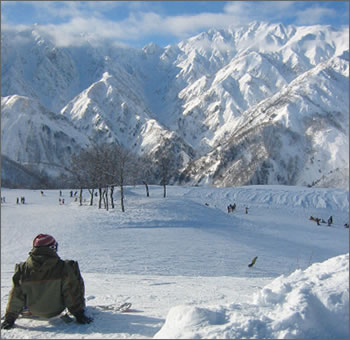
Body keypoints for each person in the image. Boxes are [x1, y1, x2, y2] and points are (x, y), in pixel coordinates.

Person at [1, 234, 92, 330]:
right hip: (56, 310)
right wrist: (79, 314)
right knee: (72, 267)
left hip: (33, 310)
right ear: (52, 248)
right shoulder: (63, 267)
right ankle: (79, 309)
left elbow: (16, 295)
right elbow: (70, 293)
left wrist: (9, 318)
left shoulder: (23, 269)